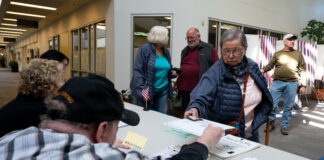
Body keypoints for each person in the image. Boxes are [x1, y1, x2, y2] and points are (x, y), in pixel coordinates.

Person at [0, 75, 224, 160]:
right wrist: (203, 142)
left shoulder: (14, 138)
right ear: (101, 130)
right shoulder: (101, 156)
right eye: (117, 127)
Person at [184, 29, 273, 142]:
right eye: (226, 51)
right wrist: (195, 108)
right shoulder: (216, 71)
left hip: (251, 131)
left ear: (245, 49)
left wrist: (261, 116)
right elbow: (201, 94)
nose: (230, 56)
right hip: (224, 135)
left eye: (236, 51)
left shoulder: (252, 67)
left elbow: (264, 91)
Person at [0, 59, 64, 137]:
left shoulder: (20, 102)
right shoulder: (40, 113)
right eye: (60, 79)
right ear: (49, 84)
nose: (63, 83)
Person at [261, 33, 306, 135]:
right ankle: (271, 122)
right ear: (284, 41)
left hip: (292, 83)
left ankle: (284, 125)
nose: (292, 41)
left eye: (293, 40)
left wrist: (303, 85)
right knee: (271, 104)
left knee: (288, 106)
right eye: (290, 39)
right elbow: (269, 66)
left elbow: (303, 70)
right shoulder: (277, 54)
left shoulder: (298, 54)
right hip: (277, 82)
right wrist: (261, 70)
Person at [131, 26, 176, 113]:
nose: (168, 38)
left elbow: (165, 70)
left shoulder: (166, 51)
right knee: (146, 118)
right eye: (167, 35)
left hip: (163, 90)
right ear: (160, 36)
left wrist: (172, 73)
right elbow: (138, 71)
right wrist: (142, 91)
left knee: (160, 117)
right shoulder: (144, 50)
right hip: (147, 90)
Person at [175, 28, 219, 115]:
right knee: (186, 115)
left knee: (198, 116)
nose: (189, 40)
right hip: (184, 91)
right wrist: (177, 81)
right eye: (187, 38)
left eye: (192, 37)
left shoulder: (209, 48)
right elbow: (183, 68)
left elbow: (217, 68)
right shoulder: (184, 51)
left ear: (199, 37)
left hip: (200, 90)